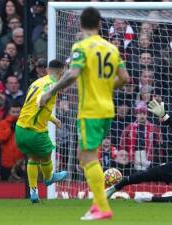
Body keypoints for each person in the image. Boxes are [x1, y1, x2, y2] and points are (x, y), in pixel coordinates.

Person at [38, 7, 130, 221]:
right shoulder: (111, 48)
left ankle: (102, 206)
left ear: (81, 24)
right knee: (85, 155)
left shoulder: (81, 46)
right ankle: (99, 204)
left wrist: (51, 91)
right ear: (99, 24)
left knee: (87, 156)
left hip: (90, 110)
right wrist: (106, 87)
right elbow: (124, 77)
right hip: (107, 108)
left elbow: (73, 73)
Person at [15, 59, 67, 203]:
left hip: (20, 129)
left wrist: (53, 119)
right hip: (34, 131)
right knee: (47, 153)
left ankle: (33, 192)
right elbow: (41, 99)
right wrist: (42, 100)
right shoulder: (51, 85)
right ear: (62, 70)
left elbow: (32, 107)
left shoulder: (37, 82)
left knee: (33, 158)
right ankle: (49, 178)